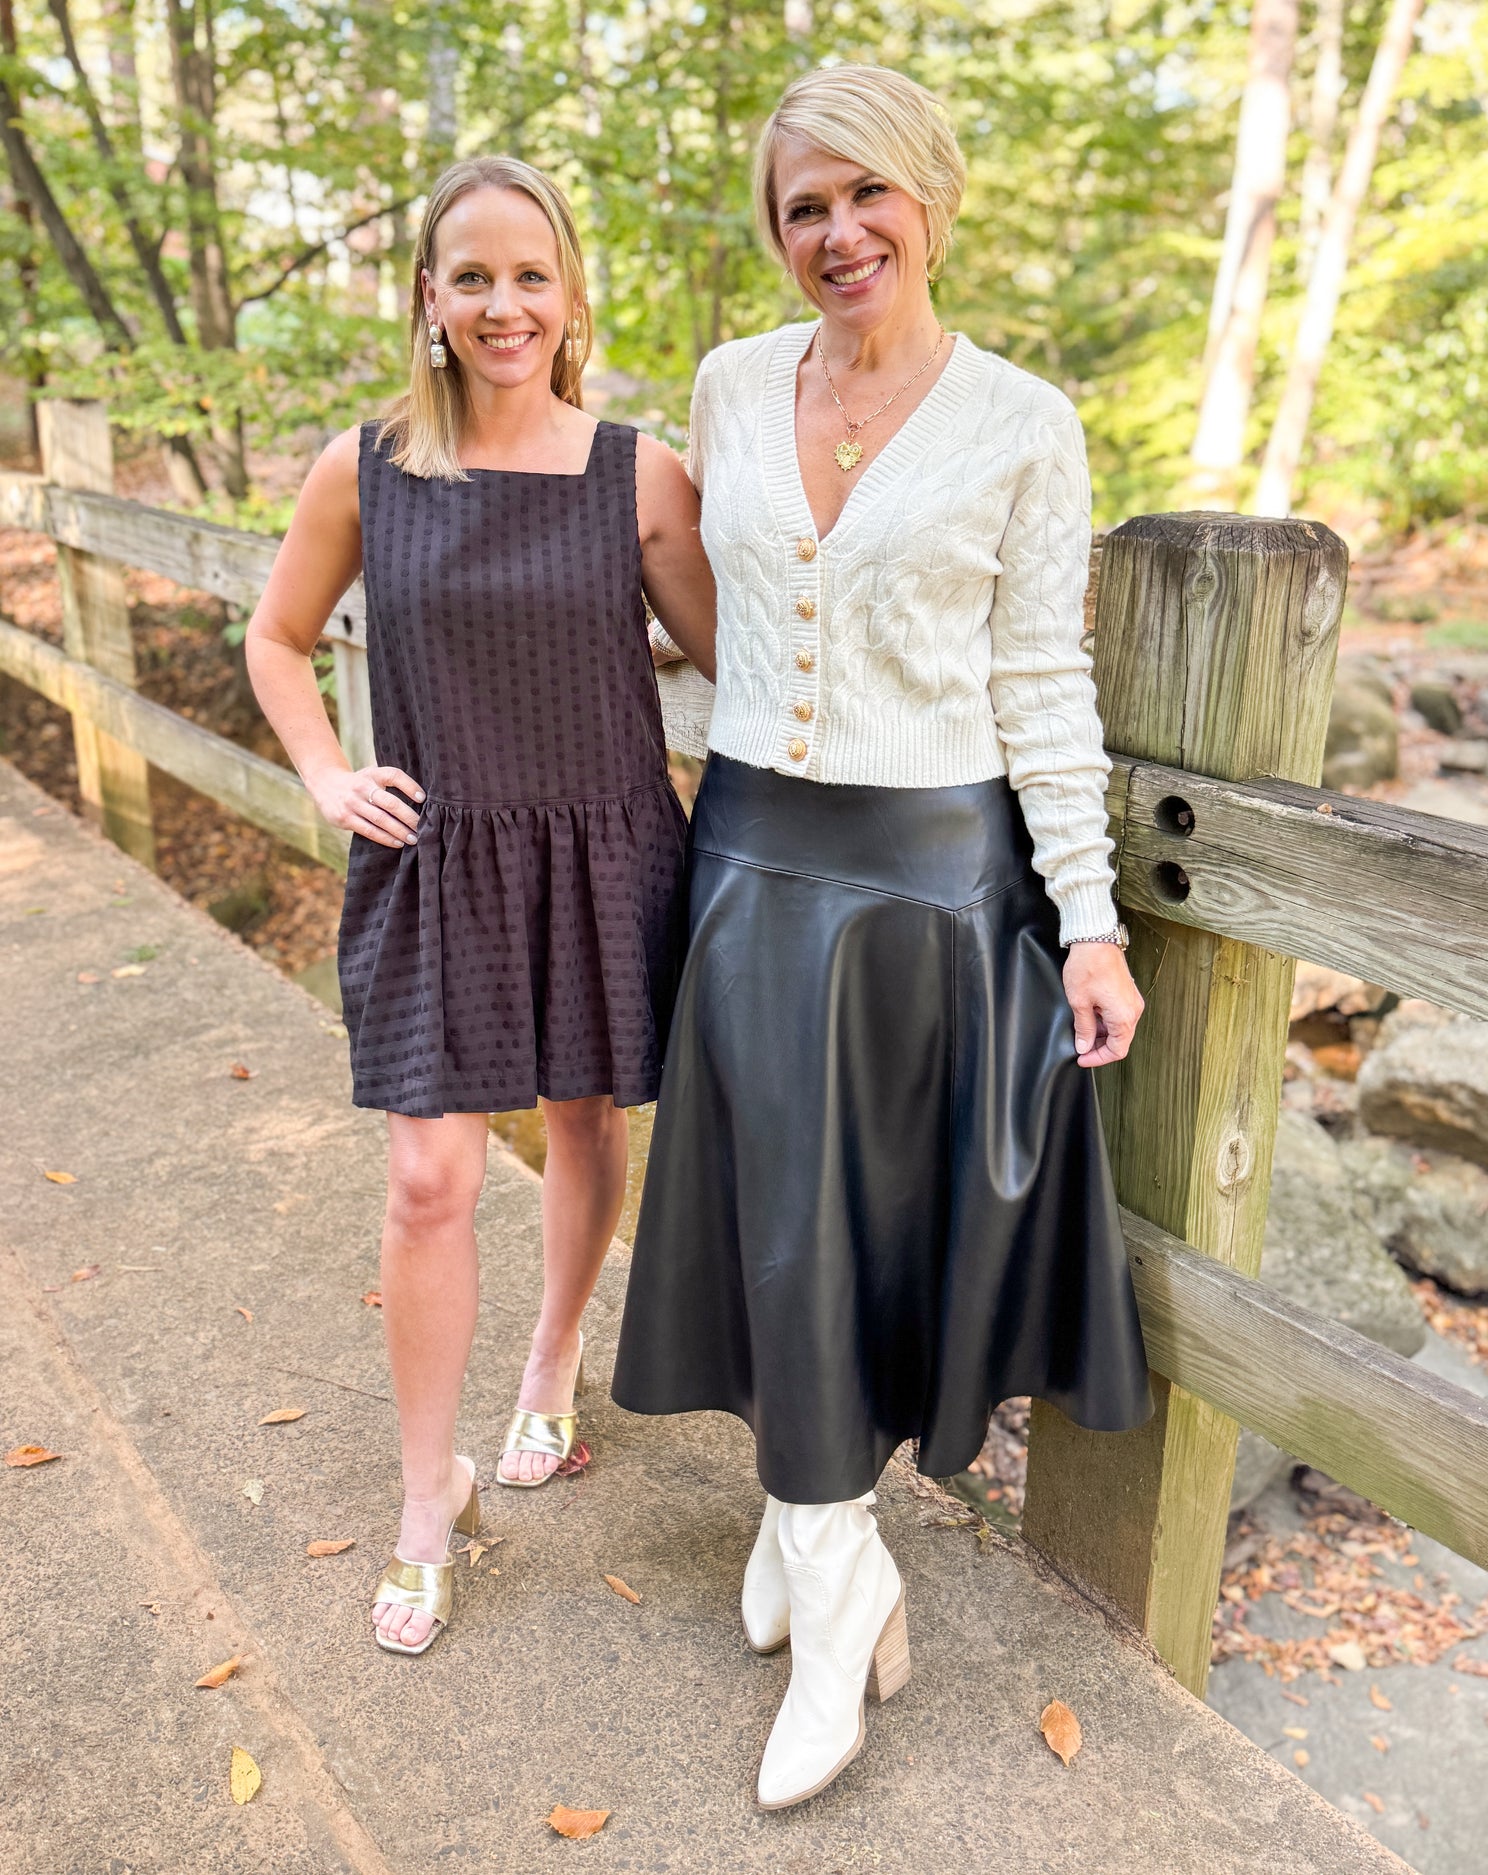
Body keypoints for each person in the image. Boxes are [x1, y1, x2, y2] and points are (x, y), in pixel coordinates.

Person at [613, 66, 1151, 1805]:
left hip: (927, 888)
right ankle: (831, 1557)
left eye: (865, 195)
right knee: (771, 1229)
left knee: (846, 1240)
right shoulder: (727, 386)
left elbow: (1040, 684)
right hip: (752, 857)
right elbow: (720, 613)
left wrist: (1090, 921)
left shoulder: (1022, 421)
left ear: (930, 195)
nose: (835, 233)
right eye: (801, 208)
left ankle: (827, 1583)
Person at [247, 155, 716, 1655]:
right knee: (429, 1182)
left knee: (589, 1123)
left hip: (602, 847)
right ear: (428, 300)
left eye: (532, 275)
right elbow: (276, 636)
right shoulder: (365, 466)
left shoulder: (638, 474)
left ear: (571, 297)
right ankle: (423, 1496)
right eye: (473, 276)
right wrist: (326, 770)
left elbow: (753, 666)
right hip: (437, 856)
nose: (503, 303)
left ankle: (553, 1365)